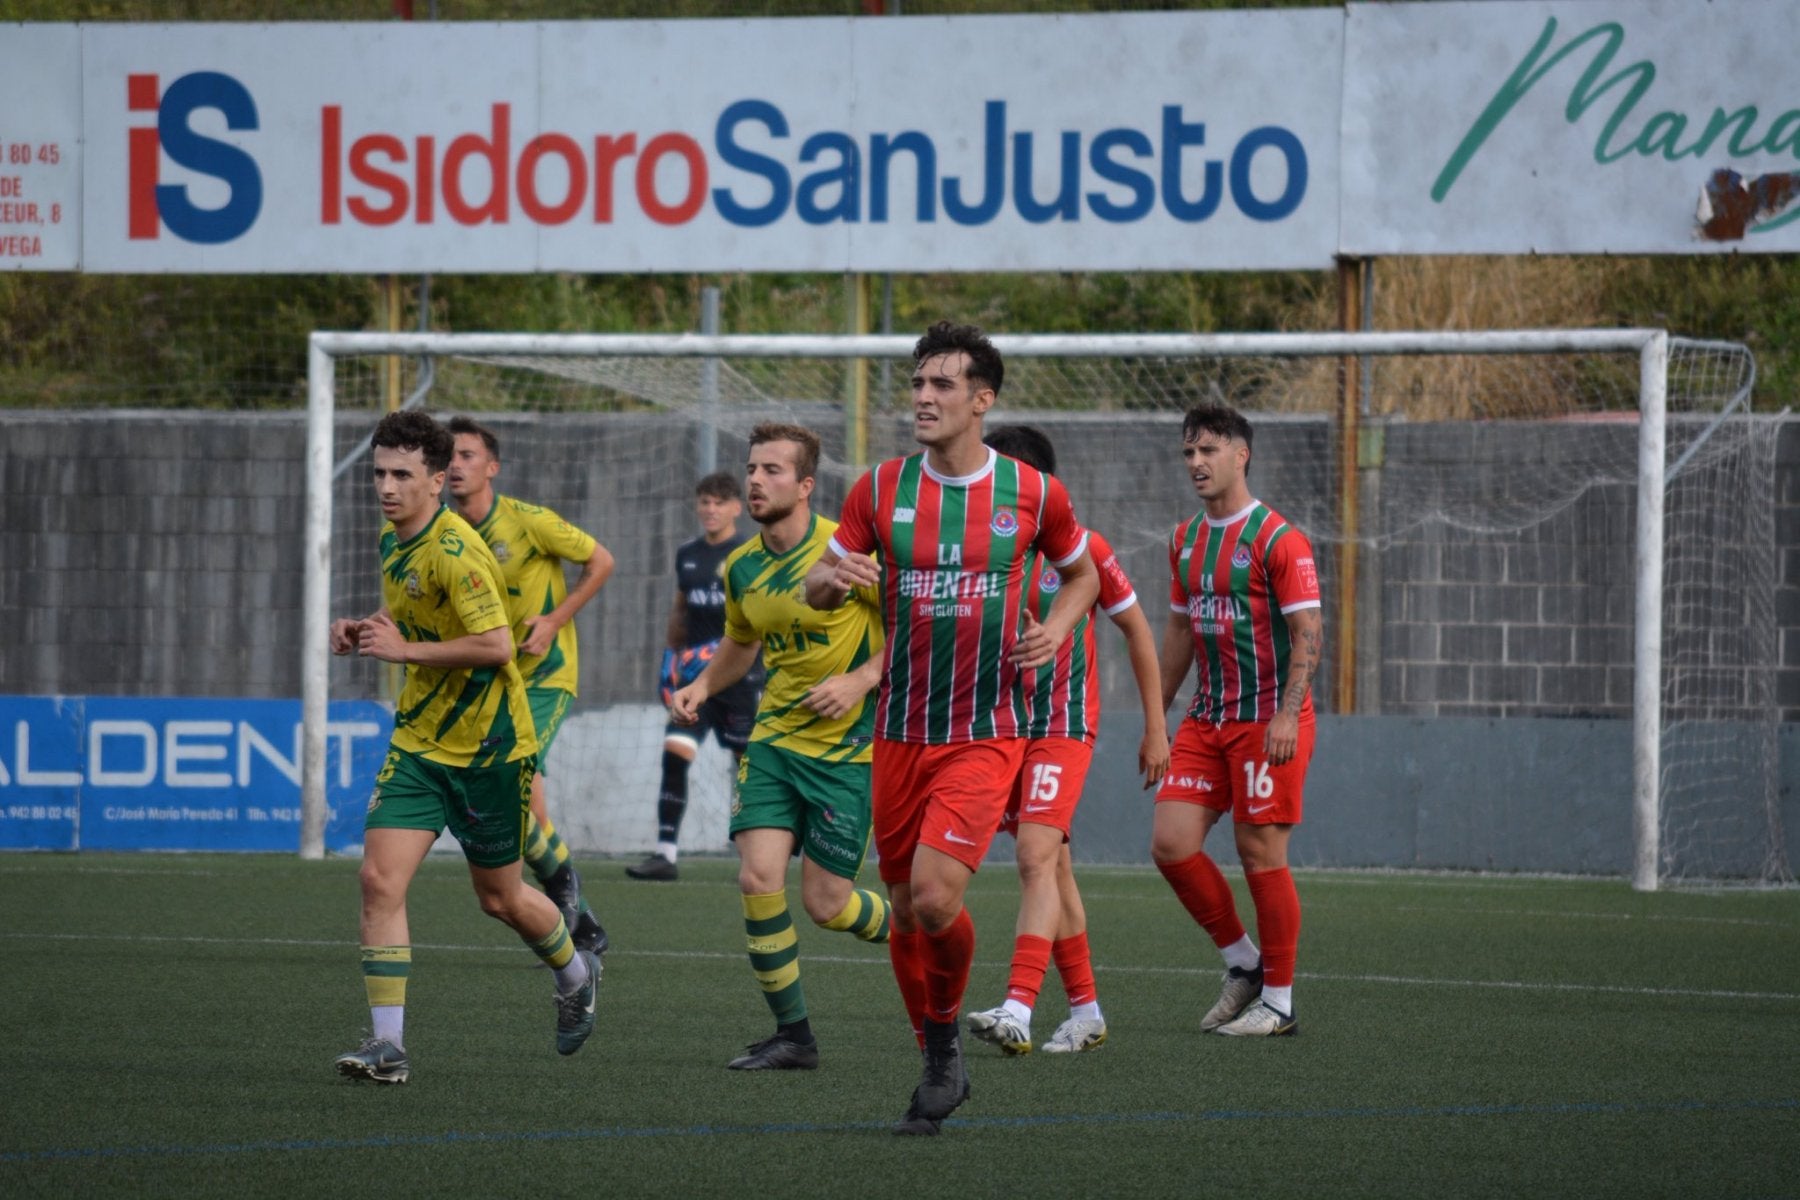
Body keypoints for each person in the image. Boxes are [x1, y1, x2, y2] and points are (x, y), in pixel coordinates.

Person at [804, 321, 1099, 1135]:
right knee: (902, 910)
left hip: (986, 729)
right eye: (917, 384)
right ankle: (941, 1052)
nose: (924, 398)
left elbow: (1083, 576)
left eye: (941, 386)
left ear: (982, 399)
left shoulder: (1033, 494)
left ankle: (947, 1047)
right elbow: (817, 590)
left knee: (936, 898)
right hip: (897, 731)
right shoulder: (878, 489)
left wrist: (1060, 625)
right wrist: (835, 577)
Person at [329, 410, 599, 1086]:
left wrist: (404, 649)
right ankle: (387, 1048)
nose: (386, 487)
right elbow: (416, 615)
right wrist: (367, 629)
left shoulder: (459, 551)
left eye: (401, 476)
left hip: (488, 750)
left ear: (435, 480)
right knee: (377, 880)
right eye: (379, 474)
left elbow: (497, 645)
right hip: (421, 741)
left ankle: (574, 972)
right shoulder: (394, 540)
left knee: (501, 898)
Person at [669, 423, 892, 1072]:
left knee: (826, 904)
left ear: (805, 485)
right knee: (758, 876)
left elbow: (917, 631)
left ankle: (918, 932)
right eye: (752, 468)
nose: (756, 480)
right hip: (775, 741)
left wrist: (860, 679)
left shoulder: (846, 551)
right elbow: (742, 643)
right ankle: (794, 1035)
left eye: (771, 470)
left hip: (848, 751)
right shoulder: (740, 566)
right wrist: (703, 684)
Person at [963, 425, 1169, 1057]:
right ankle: (1086, 1013)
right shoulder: (982, 554)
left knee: (1032, 855)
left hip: (1062, 728)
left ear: (1038, 488)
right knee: (1053, 867)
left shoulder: (1082, 552)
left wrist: (1156, 728)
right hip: (1002, 730)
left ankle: (1019, 1008)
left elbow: (1136, 631)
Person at [1151, 401, 1323, 1038]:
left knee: (1260, 853)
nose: (1196, 463)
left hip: (1266, 721)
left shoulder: (1279, 539)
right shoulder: (1184, 539)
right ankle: (1244, 963)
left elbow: (1308, 632)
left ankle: (1278, 1001)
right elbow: (1177, 631)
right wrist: (1155, 717)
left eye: (1208, 451)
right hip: (1206, 718)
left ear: (1240, 455)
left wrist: (1285, 714)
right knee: (1171, 845)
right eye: (1189, 453)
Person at [445, 416, 614, 956]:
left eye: (467, 455)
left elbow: (601, 559)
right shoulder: (441, 535)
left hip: (543, 679)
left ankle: (565, 896)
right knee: (527, 815)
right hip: (488, 684)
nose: (454, 464)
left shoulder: (527, 521)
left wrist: (555, 618)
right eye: (447, 455)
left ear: (491, 467)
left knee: (513, 796)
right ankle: (577, 911)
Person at [627, 472, 760, 881]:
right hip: (694, 686)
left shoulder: (751, 553)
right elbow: (680, 611)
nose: (711, 509)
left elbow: (759, 619)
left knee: (750, 767)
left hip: (740, 680)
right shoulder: (687, 553)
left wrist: (719, 651)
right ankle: (665, 854)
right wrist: (670, 661)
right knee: (675, 754)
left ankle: (761, 851)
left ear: (737, 507)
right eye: (704, 501)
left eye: (720, 502)